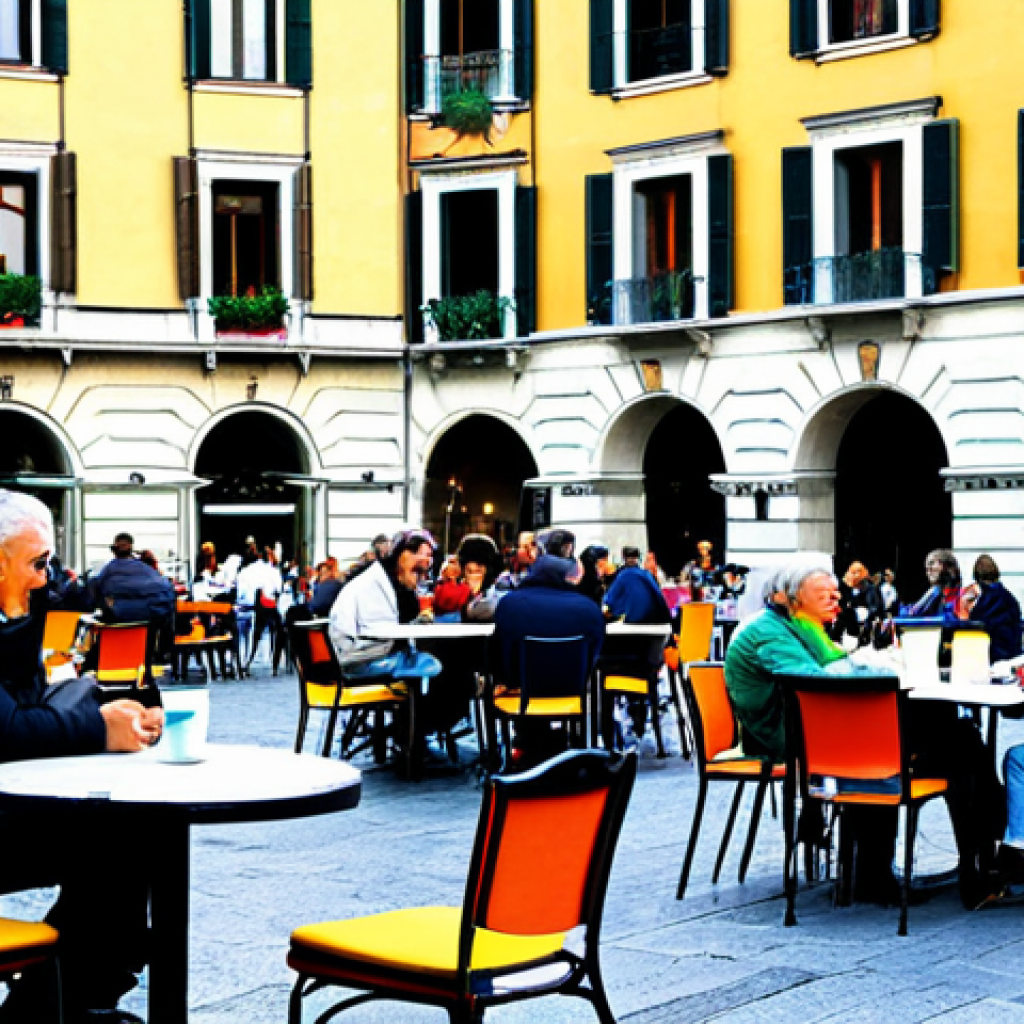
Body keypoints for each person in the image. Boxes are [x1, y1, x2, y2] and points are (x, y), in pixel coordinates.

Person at [726, 562, 1005, 908]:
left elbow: (837, 665)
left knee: (957, 736)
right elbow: (816, 683)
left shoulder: (801, 627)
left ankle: (976, 856)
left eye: (835, 593)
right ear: (791, 599)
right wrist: (876, 668)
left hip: (827, 730)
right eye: (823, 595)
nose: (835, 600)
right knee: (958, 743)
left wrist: (868, 662)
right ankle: (984, 854)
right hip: (800, 740)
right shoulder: (770, 632)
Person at [0, 490, 164, 1024]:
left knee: (125, 834)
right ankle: (55, 1006)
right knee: (118, 842)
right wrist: (99, 726)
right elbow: (8, 730)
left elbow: (29, 702)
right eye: (37, 562)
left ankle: (64, 999)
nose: (47, 577)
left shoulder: (20, 616)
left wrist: (113, 711)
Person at [490, 554, 605, 762]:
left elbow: (501, 651)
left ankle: (520, 749)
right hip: (572, 695)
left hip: (522, 696)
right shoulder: (588, 608)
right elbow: (595, 654)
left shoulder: (510, 604)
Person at [601, 545, 672, 746]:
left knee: (617, 659)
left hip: (633, 650)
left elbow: (610, 604)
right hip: (653, 655)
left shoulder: (623, 577)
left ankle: (614, 725)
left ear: (623, 558)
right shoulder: (647, 576)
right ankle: (640, 703)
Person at [962, 554, 1023, 663]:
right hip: (1012, 654)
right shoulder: (1010, 598)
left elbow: (973, 624)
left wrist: (967, 604)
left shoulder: (986, 600)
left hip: (993, 657)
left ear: (978, 577)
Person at [829, 561, 882, 648]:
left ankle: (840, 636)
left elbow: (875, 605)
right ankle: (836, 638)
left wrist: (869, 611)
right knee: (843, 614)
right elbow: (841, 601)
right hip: (848, 612)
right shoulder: (845, 587)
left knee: (847, 614)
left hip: (864, 611)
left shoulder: (869, 588)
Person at [902, 548, 966, 619]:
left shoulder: (961, 595)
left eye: (931, 563)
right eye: (926, 568)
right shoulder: (935, 592)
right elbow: (911, 612)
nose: (928, 569)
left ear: (948, 567)